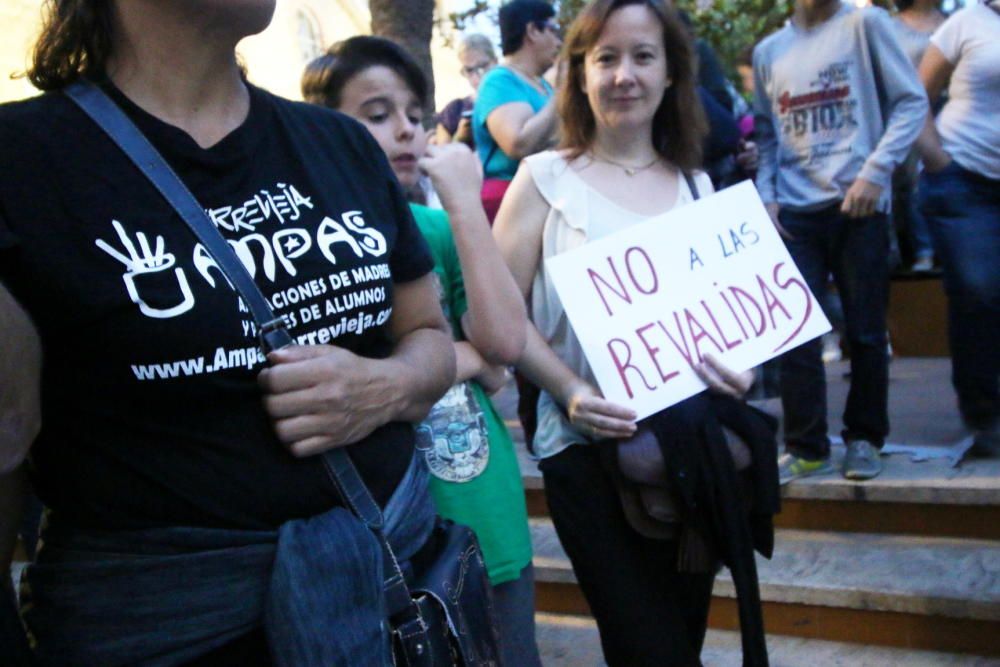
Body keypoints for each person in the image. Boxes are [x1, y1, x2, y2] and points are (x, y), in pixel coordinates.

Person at [0, 0, 458, 664]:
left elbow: (430, 337)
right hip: (162, 634)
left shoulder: (340, 143)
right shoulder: (22, 163)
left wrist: (385, 386)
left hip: (392, 605)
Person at [495, 1, 778, 664]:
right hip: (586, 456)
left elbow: (733, 332)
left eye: (643, 56)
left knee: (682, 636)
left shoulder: (699, 188)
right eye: (607, 58)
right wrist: (566, 390)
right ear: (580, 74)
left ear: (672, 74)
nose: (625, 75)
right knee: (646, 646)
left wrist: (743, 371)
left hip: (689, 459)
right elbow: (498, 318)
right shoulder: (542, 181)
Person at [301, 35, 543, 666]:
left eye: (414, 113)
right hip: (389, 537)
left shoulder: (436, 228)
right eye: (376, 115)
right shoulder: (309, 250)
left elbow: (504, 342)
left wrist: (464, 202)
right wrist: (464, 359)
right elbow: (480, 358)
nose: (406, 131)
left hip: (482, 508)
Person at [753, 0, 928, 482]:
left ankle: (865, 439)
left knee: (866, 331)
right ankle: (806, 446)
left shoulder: (863, 23)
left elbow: (911, 102)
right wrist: (767, 197)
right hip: (794, 211)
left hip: (860, 204)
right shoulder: (771, 50)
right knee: (795, 334)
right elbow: (767, 134)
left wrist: (876, 172)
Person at [915, 0, 1000, 457]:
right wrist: (938, 163)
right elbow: (916, 94)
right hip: (965, 178)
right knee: (979, 291)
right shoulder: (967, 23)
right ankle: (984, 413)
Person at [473, 0, 562, 223]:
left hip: (545, 195)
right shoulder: (499, 80)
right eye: (553, 30)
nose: (558, 41)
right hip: (508, 202)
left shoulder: (544, 85)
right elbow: (518, 143)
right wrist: (563, 95)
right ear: (532, 31)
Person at [892, 0, 945, 271]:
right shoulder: (890, 27)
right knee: (913, 182)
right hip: (908, 115)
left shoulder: (952, 21)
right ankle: (923, 252)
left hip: (947, 113)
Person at [435, 33, 497, 149]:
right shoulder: (454, 110)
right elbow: (441, 157)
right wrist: (459, 137)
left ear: (495, 62)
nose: (477, 75)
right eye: (469, 70)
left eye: (482, 66)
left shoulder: (510, 100)